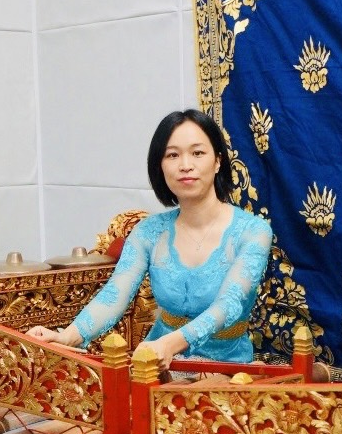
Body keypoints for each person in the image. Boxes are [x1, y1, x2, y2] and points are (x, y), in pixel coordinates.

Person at [27, 109, 273, 369]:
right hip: (157, 365)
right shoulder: (148, 232)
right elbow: (114, 296)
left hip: (227, 369)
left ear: (218, 161)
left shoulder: (253, 231)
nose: (185, 165)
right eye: (172, 155)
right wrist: (66, 336)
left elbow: (229, 304)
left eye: (198, 153)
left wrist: (171, 343)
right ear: (160, 165)